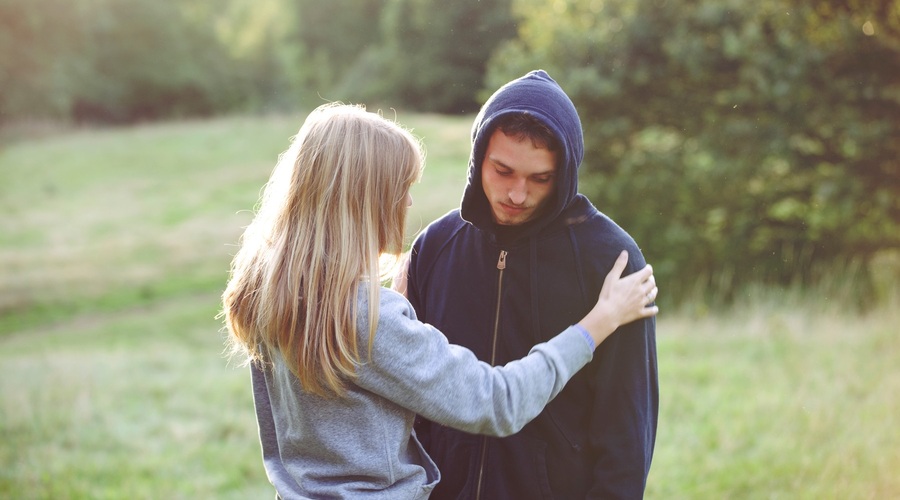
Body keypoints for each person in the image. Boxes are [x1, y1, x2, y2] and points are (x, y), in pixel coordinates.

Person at [221, 102, 659, 499]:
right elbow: (497, 402)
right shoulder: (369, 312)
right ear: (363, 199)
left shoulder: (268, 293)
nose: (409, 200)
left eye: (539, 178)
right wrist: (597, 323)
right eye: (401, 187)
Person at [405, 70, 659, 499]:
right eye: (502, 170)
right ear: (477, 157)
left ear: (564, 173)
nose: (517, 194)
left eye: (540, 178)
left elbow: (627, 430)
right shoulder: (435, 246)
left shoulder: (611, 260)